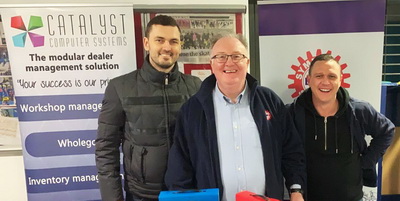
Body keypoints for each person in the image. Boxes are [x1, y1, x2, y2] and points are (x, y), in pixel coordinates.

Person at [165, 33, 306, 201]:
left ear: (247, 62)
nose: (229, 62)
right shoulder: (192, 111)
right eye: (221, 57)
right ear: (211, 64)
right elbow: (180, 168)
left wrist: (296, 190)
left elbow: (292, 152)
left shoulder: (269, 101)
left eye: (236, 56)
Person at [95, 15, 202, 201]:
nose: (167, 47)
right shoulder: (120, 87)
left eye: (173, 41)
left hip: (187, 193)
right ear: (146, 43)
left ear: (180, 46)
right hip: (142, 195)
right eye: (159, 40)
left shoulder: (195, 87)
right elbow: (106, 149)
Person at [288, 54, 395, 201]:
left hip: (352, 197)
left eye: (332, 76)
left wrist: (365, 162)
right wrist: (296, 189)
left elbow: (387, 131)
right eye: (319, 76)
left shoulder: (359, 110)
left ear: (340, 80)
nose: (325, 82)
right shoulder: (293, 113)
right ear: (309, 80)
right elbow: (291, 156)